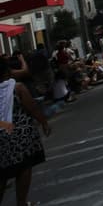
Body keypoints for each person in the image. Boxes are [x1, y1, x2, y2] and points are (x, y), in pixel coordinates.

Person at [0, 57, 51, 206]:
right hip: (19, 135)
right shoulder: (17, 87)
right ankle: (21, 203)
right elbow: (32, 107)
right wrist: (44, 123)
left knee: (2, 174)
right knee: (24, 167)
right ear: (7, 71)